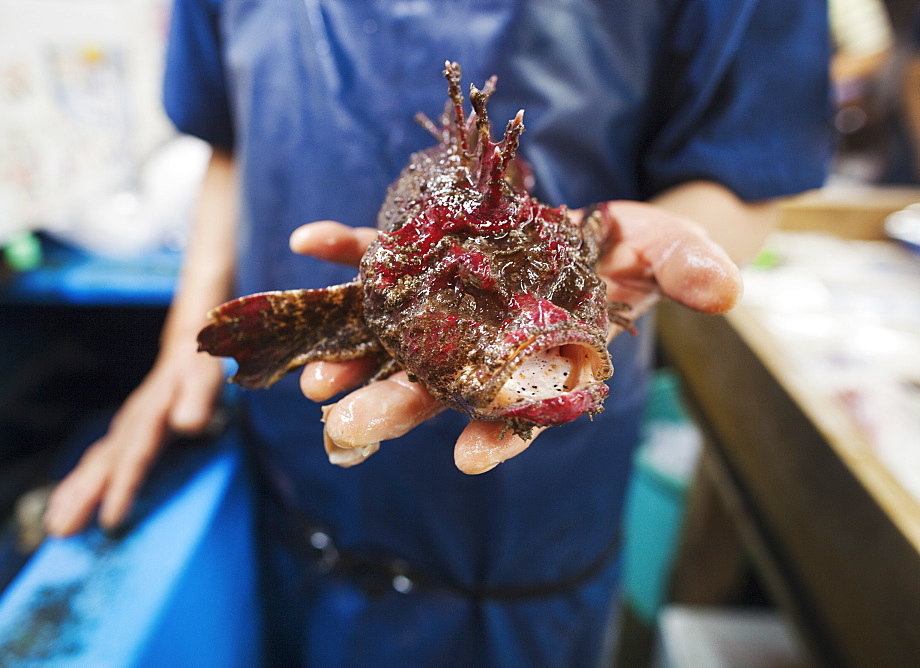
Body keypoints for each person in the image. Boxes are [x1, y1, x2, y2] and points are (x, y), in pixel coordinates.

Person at [44, 1, 832, 665]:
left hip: (539, 515)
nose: (535, 337)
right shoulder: (381, 294)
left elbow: (746, 153)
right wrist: (182, 345)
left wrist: (631, 261)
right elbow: (226, 135)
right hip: (292, 467)